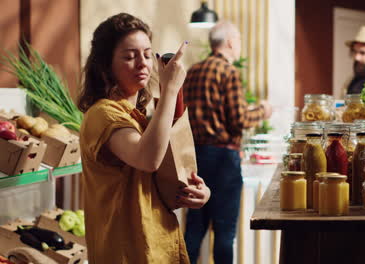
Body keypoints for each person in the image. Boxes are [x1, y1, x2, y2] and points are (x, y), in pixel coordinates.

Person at [77, 13, 210, 264]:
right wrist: (169, 89)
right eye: (129, 56)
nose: (143, 64)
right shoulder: (103, 114)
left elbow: (159, 177)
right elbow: (147, 159)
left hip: (157, 242)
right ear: (105, 65)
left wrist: (197, 191)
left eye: (148, 54)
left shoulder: (139, 116)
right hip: (127, 251)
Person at [183, 21, 272, 264]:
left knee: (194, 228)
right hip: (223, 159)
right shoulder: (229, 72)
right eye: (239, 40)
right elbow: (239, 119)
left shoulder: (192, 71)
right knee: (224, 231)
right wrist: (263, 111)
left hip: (195, 156)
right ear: (231, 42)